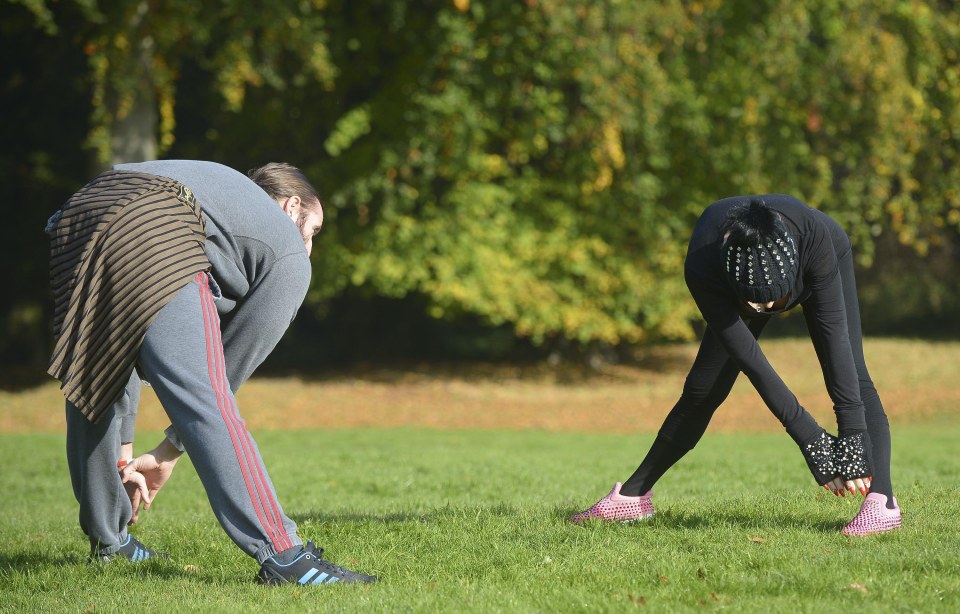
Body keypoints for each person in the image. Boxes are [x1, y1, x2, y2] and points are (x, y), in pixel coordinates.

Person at [47, 160, 377, 583]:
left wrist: (124, 452)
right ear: (294, 206)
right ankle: (285, 557)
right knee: (210, 400)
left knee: (92, 386)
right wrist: (169, 452)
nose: (309, 246)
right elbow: (224, 373)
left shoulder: (218, 195)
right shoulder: (288, 250)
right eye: (313, 230)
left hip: (79, 216)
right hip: (155, 220)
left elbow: (118, 364)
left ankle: (111, 541)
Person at [571, 195, 901, 536]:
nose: (766, 308)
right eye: (754, 302)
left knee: (854, 375)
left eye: (774, 300)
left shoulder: (814, 238)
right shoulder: (703, 266)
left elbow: (838, 347)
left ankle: (883, 501)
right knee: (703, 388)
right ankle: (633, 496)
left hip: (821, 258)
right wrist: (810, 438)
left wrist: (852, 440)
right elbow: (751, 362)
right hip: (730, 282)